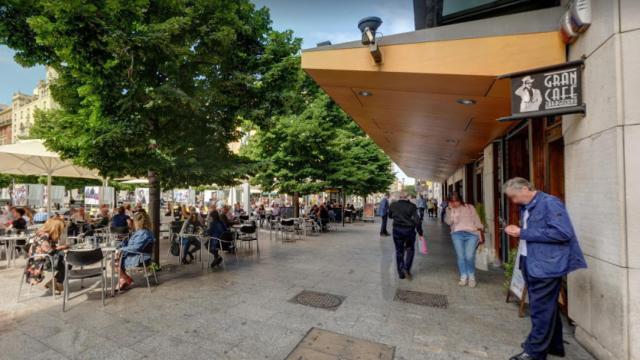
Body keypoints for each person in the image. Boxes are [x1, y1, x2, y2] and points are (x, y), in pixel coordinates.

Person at [503, 178, 587, 360]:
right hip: (530, 262)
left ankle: (534, 353)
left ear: (525, 188)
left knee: (540, 310)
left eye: (515, 196)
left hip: (546, 265)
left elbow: (563, 233)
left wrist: (522, 232)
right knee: (547, 307)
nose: (514, 201)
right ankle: (554, 345)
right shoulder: (527, 206)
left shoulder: (550, 203)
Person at [444, 193, 484, 288]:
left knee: (469, 256)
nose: (454, 203)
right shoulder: (449, 209)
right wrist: (449, 210)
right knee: (461, 256)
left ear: (460, 200)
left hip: (471, 234)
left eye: (455, 201)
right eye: (451, 201)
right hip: (457, 234)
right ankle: (463, 276)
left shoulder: (469, 207)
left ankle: (471, 276)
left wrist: (480, 229)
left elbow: (476, 219)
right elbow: (448, 222)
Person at [23, 217, 68, 293]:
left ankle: (54, 282)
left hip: (37, 261)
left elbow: (46, 249)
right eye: (60, 229)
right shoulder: (44, 236)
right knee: (68, 261)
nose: (61, 231)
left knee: (65, 258)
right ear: (55, 228)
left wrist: (60, 248)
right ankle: (57, 282)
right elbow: (50, 252)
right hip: (41, 263)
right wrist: (62, 247)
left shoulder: (41, 234)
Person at [388, 192, 424, 279]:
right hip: (409, 231)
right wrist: (420, 232)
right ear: (408, 197)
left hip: (397, 230)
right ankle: (407, 268)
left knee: (399, 251)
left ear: (399, 197)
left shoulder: (393, 205)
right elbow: (417, 220)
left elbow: (390, 216)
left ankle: (401, 273)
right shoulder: (412, 206)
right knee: (410, 249)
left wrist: (398, 216)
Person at [117, 211, 155, 290]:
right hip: (144, 257)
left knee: (115, 263)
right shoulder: (146, 232)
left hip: (140, 259)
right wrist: (123, 245)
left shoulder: (142, 233)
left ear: (137, 222)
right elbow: (135, 246)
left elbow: (135, 248)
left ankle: (127, 279)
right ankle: (123, 280)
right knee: (118, 260)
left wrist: (121, 249)